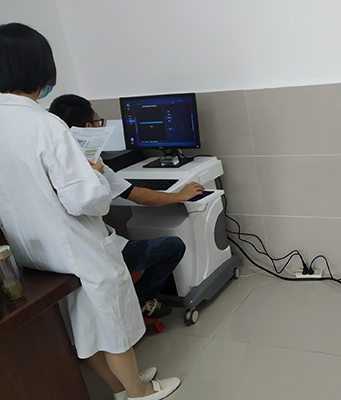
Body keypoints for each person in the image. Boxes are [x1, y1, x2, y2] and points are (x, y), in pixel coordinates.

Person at [0, 23, 180, 400]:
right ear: (40, 67)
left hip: (31, 255)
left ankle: (119, 387)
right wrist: (95, 175)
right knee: (113, 322)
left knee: (85, 327)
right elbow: (86, 201)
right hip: (76, 247)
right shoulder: (45, 125)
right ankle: (139, 391)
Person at [49, 94, 204, 319]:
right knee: (174, 246)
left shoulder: (52, 161)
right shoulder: (93, 165)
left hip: (59, 254)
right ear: (88, 128)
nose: (100, 126)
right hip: (93, 251)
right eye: (99, 121)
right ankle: (140, 301)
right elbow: (139, 196)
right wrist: (180, 196)